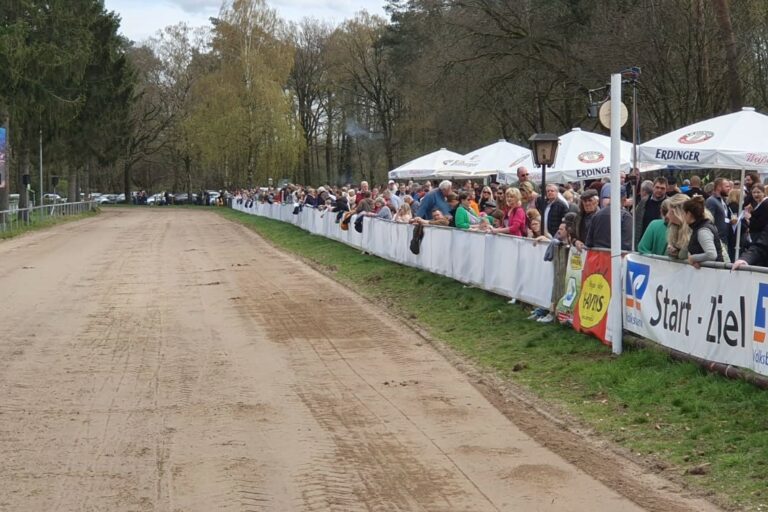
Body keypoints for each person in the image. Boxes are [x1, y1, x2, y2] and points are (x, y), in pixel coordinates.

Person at [683, 196, 726, 268]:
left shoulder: (703, 230)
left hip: (713, 272)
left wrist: (693, 258)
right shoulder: (700, 227)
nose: (683, 216)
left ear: (689, 214)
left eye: (684, 213)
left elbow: (711, 254)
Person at [634, 177, 667, 247]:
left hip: (659, 241)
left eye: (662, 188)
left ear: (666, 189)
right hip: (642, 239)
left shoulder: (669, 204)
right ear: (653, 187)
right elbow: (636, 221)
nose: (659, 190)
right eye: (657, 187)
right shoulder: (643, 201)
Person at [705, 178, 731, 247]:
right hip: (717, 241)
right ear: (719, 187)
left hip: (724, 239)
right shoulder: (711, 201)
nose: (729, 188)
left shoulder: (722, 200)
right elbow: (709, 220)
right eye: (727, 186)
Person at [665, 193, 691, 260]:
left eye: (669, 211)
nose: (667, 215)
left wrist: (677, 253)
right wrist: (672, 250)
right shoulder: (675, 227)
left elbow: (683, 256)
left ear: (676, 212)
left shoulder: (694, 229)